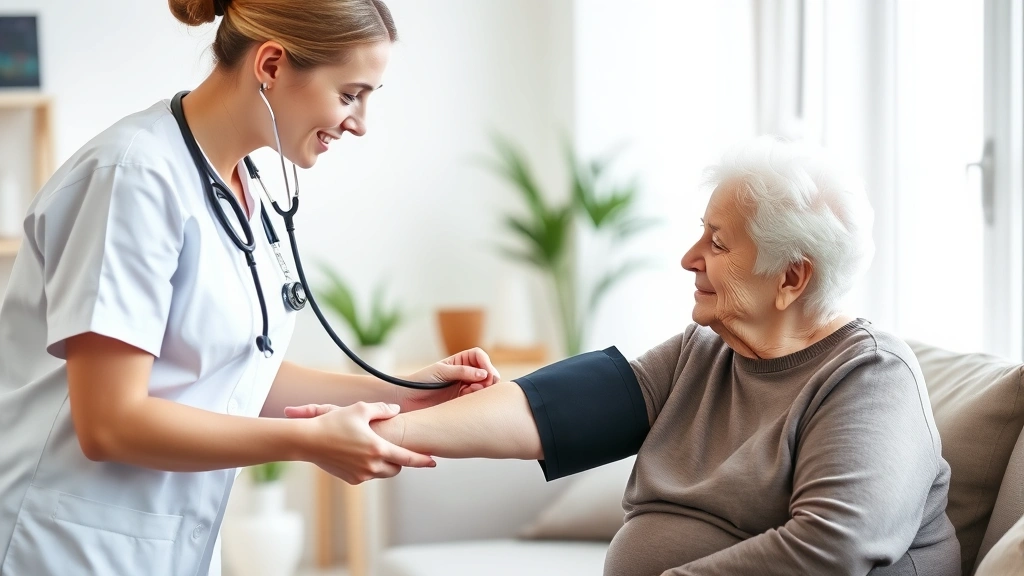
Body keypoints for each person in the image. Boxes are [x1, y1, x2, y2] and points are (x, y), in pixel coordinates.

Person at [292, 137, 962, 575]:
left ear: (792, 278)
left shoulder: (869, 378)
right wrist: (382, 428)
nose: (688, 259)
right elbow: (551, 410)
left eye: (718, 245)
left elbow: (829, 548)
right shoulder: (706, 352)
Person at [0, 1, 499, 575]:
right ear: (271, 65)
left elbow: (235, 373)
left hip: (162, 549)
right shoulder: (133, 177)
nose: (360, 122)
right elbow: (109, 422)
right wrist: (307, 441)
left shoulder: (243, 187)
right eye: (350, 94)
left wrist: (404, 391)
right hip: (63, 547)